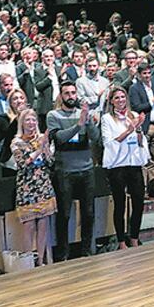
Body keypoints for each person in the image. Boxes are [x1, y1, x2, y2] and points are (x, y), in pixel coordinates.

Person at [47, 83, 100, 261]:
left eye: (73, 93)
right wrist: (78, 125)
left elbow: (95, 138)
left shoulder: (83, 114)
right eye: (67, 93)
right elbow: (60, 138)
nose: (71, 96)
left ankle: (87, 252)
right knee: (64, 214)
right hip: (65, 172)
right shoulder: (53, 115)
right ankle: (62, 254)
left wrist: (89, 121)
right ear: (61, 96)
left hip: (86, 170)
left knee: (89, 212)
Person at [101, 87, 148, 249]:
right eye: (117, 98)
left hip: (134, 164)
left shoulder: (133, 116)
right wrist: (130, 130)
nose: (121, 100)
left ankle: (134, 237)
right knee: (120, 204)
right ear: (111, 101)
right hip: (117, 166)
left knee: (138, 202)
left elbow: (141, 142)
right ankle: (121, 241)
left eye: (123, 97)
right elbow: (110, 143)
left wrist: (139, 129)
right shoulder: (107, 119)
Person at [11, 107, 56, 266]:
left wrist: (46, 148)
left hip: (43, 185)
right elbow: (23, 164)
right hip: (27, 187)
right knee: (29, 225)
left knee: (43, 224)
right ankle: (28, 261)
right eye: (27, 120)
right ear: (22, 123)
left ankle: (41, 260)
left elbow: (50, 162)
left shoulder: (42, 139)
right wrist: (39, 149)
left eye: (33, 120)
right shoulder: (17, 142)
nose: (31, 123)